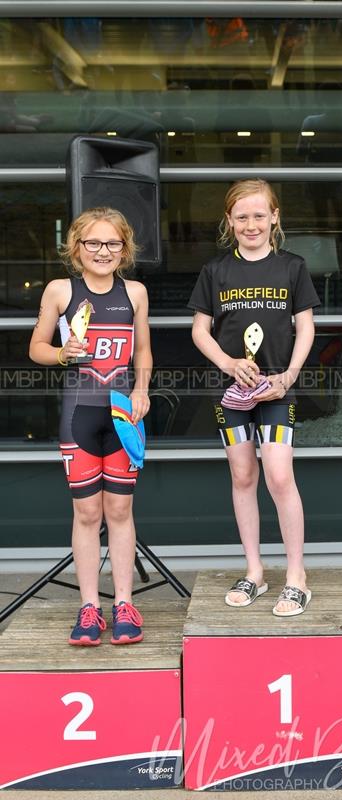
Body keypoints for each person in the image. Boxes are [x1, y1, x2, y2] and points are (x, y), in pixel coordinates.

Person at [190, 179, 320, 616]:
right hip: (231, 392)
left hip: (277, 389)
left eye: (259, 215)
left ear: (274, 217)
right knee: (243, 477)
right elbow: (199, 331)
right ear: (230, 220)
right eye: (242, 216)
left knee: (279, 476)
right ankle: (255, 571)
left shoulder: (292, 267)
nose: (251, 224)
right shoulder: (215, 271)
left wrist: (290, 375)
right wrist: (228, 363)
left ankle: (296, 576)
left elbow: (306, 327)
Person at [29, 207, 152, 646]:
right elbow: (36, 348)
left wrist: (142, 390)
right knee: (87, 512)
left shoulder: (135, 292)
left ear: (125, 249)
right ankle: (88, 607)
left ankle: (123, 602)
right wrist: (64, 353)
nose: (103, 251)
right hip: (78, 414)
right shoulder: (61, 290)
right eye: (93, 243)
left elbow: (143, 353)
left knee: (120, 511)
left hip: (122, 416)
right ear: (76, 247)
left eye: (112, 244)